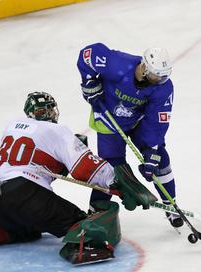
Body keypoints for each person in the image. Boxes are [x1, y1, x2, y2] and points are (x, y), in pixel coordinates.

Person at [0, 91, 157, 264]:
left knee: (26, 226)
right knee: (80, 222)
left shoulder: (11, 126)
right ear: (48, 111)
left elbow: (37, 162)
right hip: (27, 193)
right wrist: (118, 183)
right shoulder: (57, 130)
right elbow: (85, 168)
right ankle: (82, 247)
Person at [77, 43, 183, 228]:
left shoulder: (163, 88)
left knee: (160, 160)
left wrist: (152, 151)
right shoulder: (118, 64)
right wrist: (89, 81)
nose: (160, 80)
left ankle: (171, 205)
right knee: (109, 169)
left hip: (138, 122)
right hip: (108, 119)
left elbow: (157, 121)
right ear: (144, 67)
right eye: (156, 75)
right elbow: (88, 54)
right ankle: (96, 210)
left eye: (164, 76)